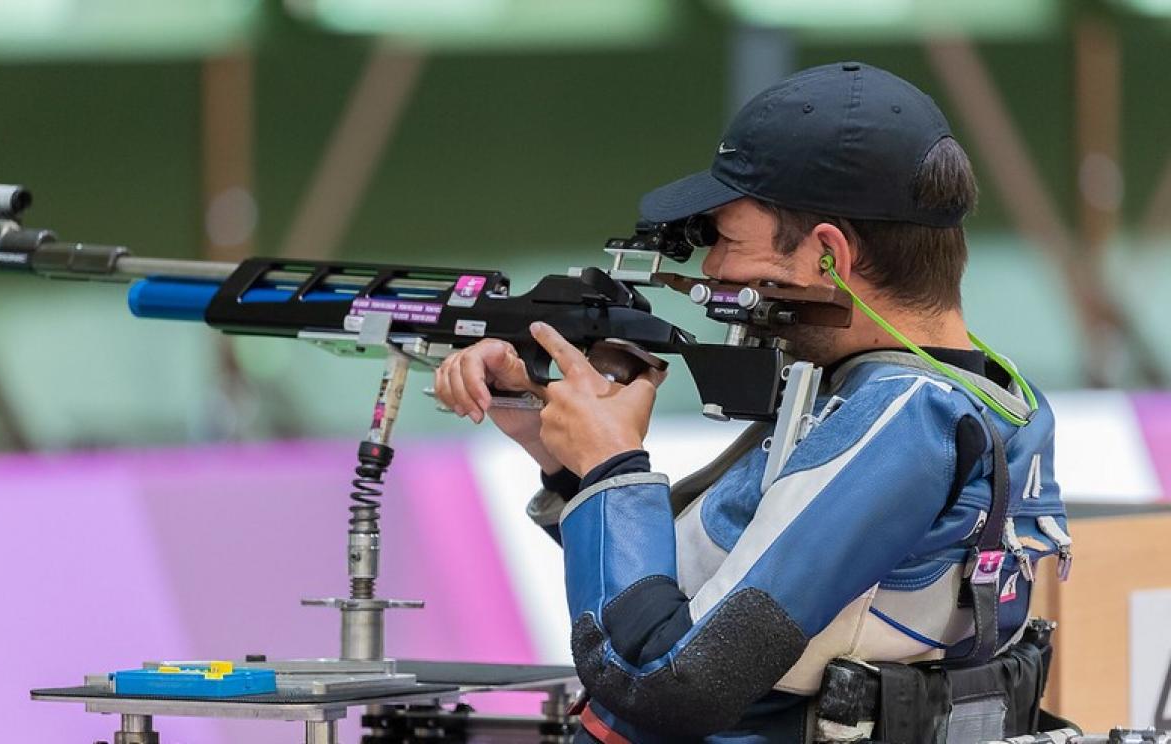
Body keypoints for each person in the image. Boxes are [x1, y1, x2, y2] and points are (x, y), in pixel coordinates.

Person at [435, 62, 1071, 743]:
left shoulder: (900, 417)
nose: (713, 270)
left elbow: (665, 686)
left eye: (731, 241)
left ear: (829, 255)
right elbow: (672, 601)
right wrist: (565, 454)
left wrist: (611, 468)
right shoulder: (976, 394)